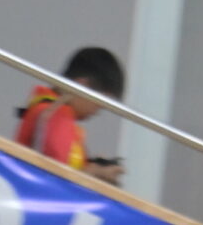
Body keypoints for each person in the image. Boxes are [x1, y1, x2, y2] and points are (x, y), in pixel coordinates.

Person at [16, 46, 125, 185]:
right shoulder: (57, 115)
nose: (98, 111)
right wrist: (94, 172)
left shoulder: (47, 109)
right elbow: (55, 180)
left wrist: (90, 166)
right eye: (100, 102)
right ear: (81, 86)